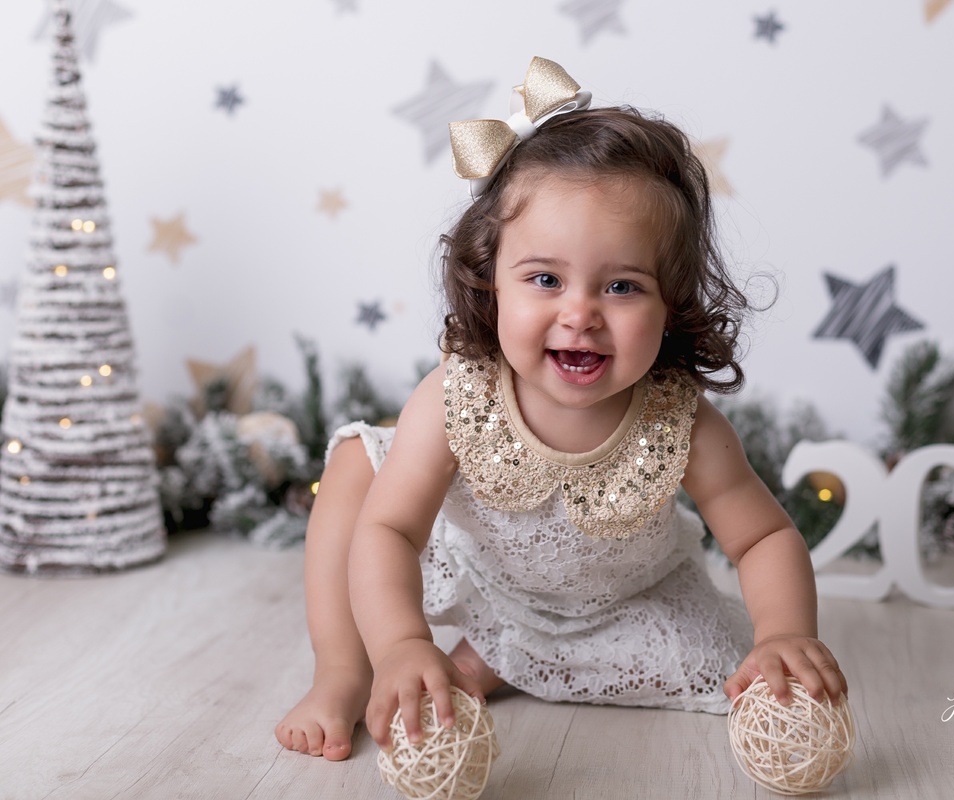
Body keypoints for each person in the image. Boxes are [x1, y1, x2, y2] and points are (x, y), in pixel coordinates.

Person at [276, 57, 847, 762]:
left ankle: (502, 660)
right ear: (490, 281)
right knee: (355, 468)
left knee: (710, 663)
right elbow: (390, 531)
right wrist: (399, 642)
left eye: (623, 287)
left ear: (672, 305)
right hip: (485, 577)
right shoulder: (458, 395)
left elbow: (762, 539)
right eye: (545, 278)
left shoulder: (682, 423)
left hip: (619, 603)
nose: (579, 314)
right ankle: (341, 672)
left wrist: (784, 632)